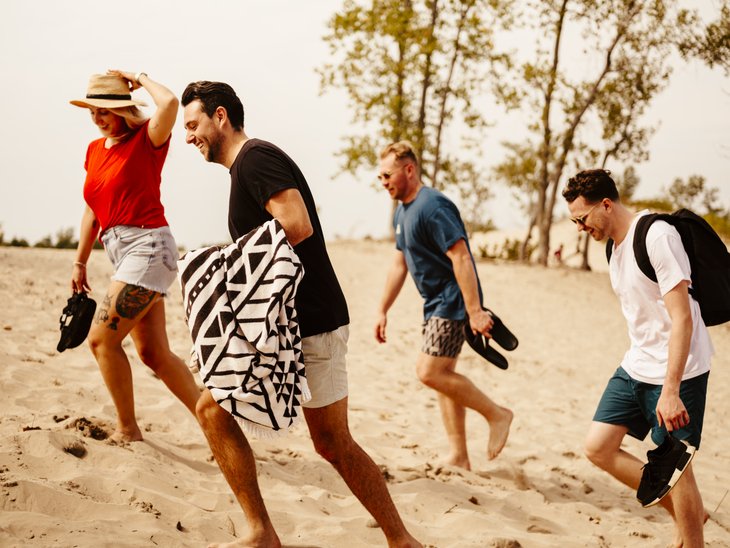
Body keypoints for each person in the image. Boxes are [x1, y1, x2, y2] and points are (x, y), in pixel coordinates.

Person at [181, 81, 421, 548]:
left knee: (333, 443)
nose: (189, 137)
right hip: (281, 329)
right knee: (212, 408)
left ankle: (400, 539)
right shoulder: (244, 168)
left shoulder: (256, 159)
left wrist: (225, 263)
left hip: (311, 323)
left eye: (193, 125)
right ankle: (261, 532)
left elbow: (296, 224)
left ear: (221, 117)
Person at [562, 169, 712, 548]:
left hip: (679, 371)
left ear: (607, 204)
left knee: (676, 468)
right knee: (599, 447)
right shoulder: (612, 246)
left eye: (582, 218)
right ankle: (688, 514)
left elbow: (682, 318)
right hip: (637, 364)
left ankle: (692, 536)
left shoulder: (658, 236)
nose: (580, 227)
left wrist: (671, 390)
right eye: (574, 221)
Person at [69, 71, 200, 442]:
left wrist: (139, 78)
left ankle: (128, 429)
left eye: (105, 111)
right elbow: (92, 210)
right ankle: (217, 423)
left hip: (149, 248)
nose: (97, 118)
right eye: (92, 111)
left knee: (101, 340)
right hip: (120, 251)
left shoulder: (147, 139)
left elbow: (171, 103)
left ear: (124, 110)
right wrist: (80, 261)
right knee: (154, 354)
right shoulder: (95, 151)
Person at [374, 141, 513, 470]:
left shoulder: (432, 205)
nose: (383, 182)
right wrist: (382, 309)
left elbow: (461, 256)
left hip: (451, 301)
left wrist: (475, 311)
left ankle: (497, 414)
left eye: (387, 175)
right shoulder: (403, 211)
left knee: (430, 372)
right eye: (379, 177)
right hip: (433, 303)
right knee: (442, 374)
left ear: (409, 169)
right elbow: (399, 264)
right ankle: (459, 455)